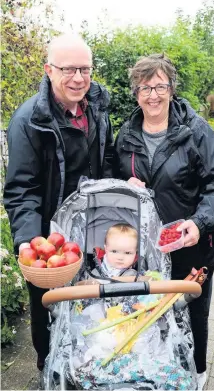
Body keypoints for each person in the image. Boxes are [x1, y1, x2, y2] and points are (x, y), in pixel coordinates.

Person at [113, 53, 214, 390]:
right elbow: (112, 177)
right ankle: (161, 364)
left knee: (193, 308)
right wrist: (125, 186)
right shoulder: (126, 133)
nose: (152, 95)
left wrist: (199, 223)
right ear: (135, 92)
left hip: (190, 242)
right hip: (146, 246)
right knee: (152, 307)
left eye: (159, 86)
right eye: (144, 87)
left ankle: (197, 370)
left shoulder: (194, 130)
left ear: (171, 88)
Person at [3, 34, 114, 371]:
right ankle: (49, 366)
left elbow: (105, 158)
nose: (78, 78)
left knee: (91, 301)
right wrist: (27, 243)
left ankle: (87, 365)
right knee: (49, 309)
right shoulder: (28, 121)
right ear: (48, 69)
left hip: (92, 228)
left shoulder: (97, 106)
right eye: (69, 69)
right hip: (51, 237)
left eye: (85, 69)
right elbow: (22, 189)